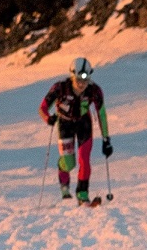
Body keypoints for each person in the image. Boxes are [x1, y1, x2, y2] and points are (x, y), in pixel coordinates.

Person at [40, 57, 112, 205]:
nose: (81, 84)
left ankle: (82, 193)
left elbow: (102, 114)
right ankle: (63, 178)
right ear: (72, 76)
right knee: (69, 163)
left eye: (85, 81)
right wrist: (48, 118)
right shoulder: (60, 88)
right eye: (78, 80)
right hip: (65, 124)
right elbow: (42, 108)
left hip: (83, 123)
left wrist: (106, 139)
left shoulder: (94, 91)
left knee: (84, 159)